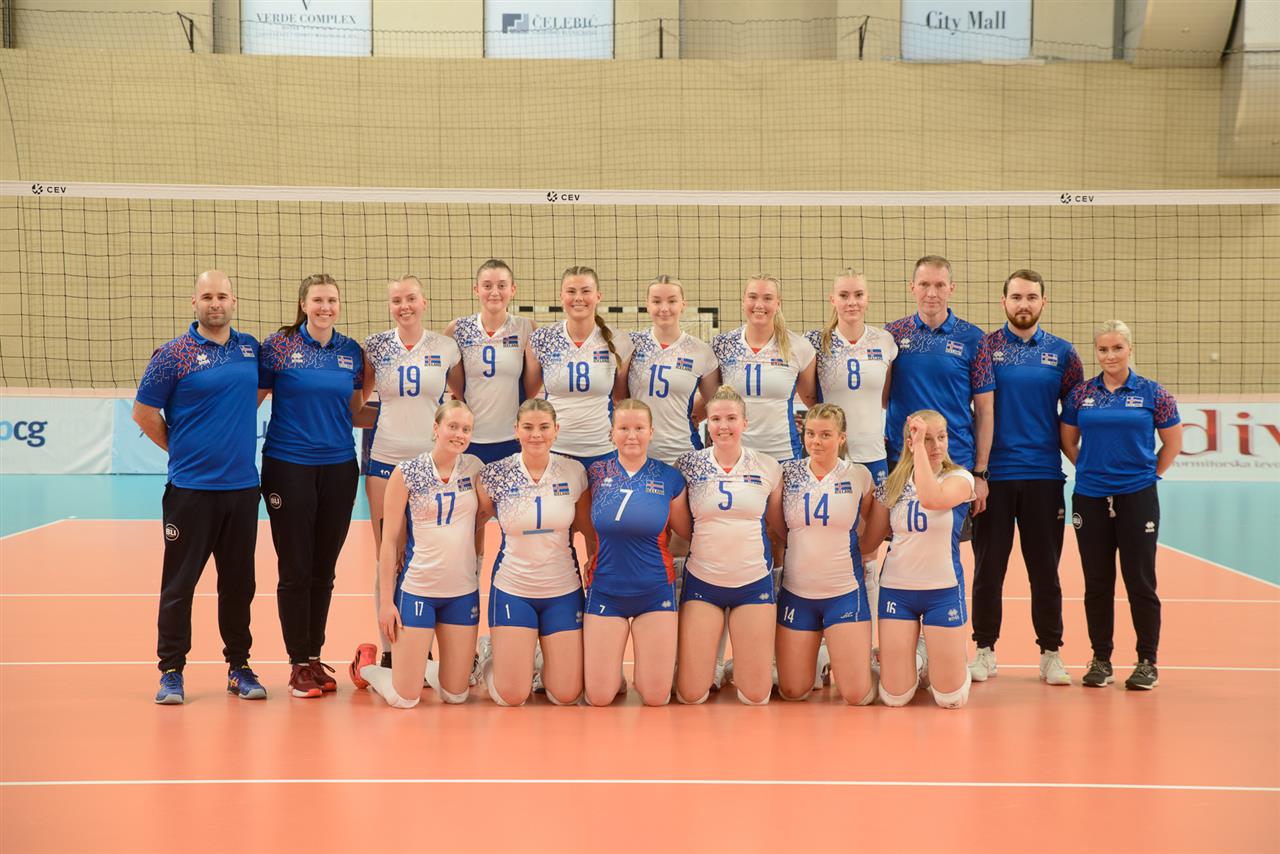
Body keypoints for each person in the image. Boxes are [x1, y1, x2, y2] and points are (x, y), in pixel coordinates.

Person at [134, 271, 266, 705]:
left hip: (242, 489)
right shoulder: (173, 354)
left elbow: (255, 394)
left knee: (239, 585)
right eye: (207, 296)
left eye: (222, 296)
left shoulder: (250, 349)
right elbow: (143, 413)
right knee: (179, 585)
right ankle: (171, 671)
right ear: (195, 302)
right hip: (190, 490)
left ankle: (239, 667)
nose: (215, 303)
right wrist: (181, 448)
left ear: (234, 301)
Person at [969, 270, 1083, 687]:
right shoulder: (984, 348)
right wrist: (976, 472)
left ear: (1043, 302)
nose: (1024, 304)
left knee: (1045, 572)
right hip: (994, 478)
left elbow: (1075, 414)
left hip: (1044, 477)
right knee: (988, 570)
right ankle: (984, 650)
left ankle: (1051, 653)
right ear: (1003, 301)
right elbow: (974, 407)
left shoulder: (1064, 353)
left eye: (1031, 297)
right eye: (1016, 296)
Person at [258, 273, 364, 698]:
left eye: (332, 300)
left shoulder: (350, 351)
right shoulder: (278, 347)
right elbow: (249, 402)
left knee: (324, 569)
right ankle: (297, 664)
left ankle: (314, 656)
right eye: (318, 300)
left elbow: (355, 410)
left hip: (339, 467)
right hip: (289, 467)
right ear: (303, 304)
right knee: (296, 567)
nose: (325, 307)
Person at [1061, 320, 1182, 690]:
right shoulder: (1081, 394)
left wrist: (1146, 477)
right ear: (1096, 353)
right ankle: (1101, 659)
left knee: (1140, 581)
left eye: (1117, 348)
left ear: (1130, 349)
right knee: (1097, 582)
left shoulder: (1153, 393)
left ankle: (1147, 661)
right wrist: (1090, 470)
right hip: (1090, 497)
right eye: (1103, 349)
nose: (1110, 355)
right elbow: (1068, 441)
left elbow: (1173, 443)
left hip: (1137, 497)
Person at [349, 401, 485, 708]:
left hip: (461, 592)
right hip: (418, 589)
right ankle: (367, 668)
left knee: (456, 695)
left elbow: (483, 519)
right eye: (452, 426)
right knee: (405, 698)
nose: (459, 434)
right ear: (436, 428)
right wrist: (386, 603)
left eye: (466, 429)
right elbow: (389, 542)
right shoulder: (408, 472)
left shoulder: (475, 468)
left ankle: (425, 667)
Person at [359, 275, 464, 668]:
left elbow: (460, 397)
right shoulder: (376, 346)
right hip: (385, 462)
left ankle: (425, 643)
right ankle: (390, 650)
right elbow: (361, 401)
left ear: (424, 302)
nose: (404, 306)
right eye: (397, 300)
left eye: (411, 299)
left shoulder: (445, 348)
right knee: (388, 554)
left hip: (431, 465)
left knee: (426, 551)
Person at [474, 399, 594, 706]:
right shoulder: (496, 474)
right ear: (516, 430)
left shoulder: (573, 472)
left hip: (562, 589)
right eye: (528, 427)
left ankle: (537, 657)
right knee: (512, 696)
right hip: (514, 588)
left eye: (544, 427)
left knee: (565, 695)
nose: (536, 434)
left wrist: (595, 565)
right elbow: (476, 519)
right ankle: (490, 655)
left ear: (556, 430)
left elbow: (586, 528)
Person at [806, 269, 898, 658]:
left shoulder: (885, 342)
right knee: (828, 543)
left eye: (858, 294)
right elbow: (811, 398)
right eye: (844, 295)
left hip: (873, 457)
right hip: (832, 460)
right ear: (832, 299)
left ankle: (869, 643)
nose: (851, 302)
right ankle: (825, 644)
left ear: (868, 298)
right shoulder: (816, 342)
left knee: (869, 549)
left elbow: (885, 396)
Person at [674, 386, 784, 705]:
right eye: (716, 419)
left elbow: (778, 526)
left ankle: (744, 664)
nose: (724, 426)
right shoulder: (688, 465)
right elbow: (681, 526)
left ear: (745, 423)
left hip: (752, 583)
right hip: (704, 582)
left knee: (756, 695)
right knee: (691, 694)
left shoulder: (767, 466)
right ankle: (711, 664)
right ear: (706, 424)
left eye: (732, 418)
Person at [862, 411, 976, 709]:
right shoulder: (892, 486)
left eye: (941, 437)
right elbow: (869, 543)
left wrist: (920, 452)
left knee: (951, 698)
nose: (936, 446)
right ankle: (917, 659)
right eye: (926, 439)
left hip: (942, 591)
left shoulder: (959, 478)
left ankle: (931, 654)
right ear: (911, 443)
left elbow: (931, 498)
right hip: (897, 591)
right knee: (895, 697)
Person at [582, 400, 690, 706]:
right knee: (599, 697)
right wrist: (594, 554)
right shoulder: (595, 473)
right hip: (606, 589)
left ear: (651, 432)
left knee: (656, 696)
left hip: (654, 590)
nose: (632, 435)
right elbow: (584, 525)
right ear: (612, 433)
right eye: (624, 428)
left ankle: (645, 676)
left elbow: (685, 531)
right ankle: (611, 677)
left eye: (639, 428)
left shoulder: (669, 478)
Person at [770, 404, 877, 705]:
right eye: (811, 434)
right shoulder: (788, 473)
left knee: (856, 695)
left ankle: (859, 663)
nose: (816, 441)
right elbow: (779, 525)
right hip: (798, 593)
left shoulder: (858, 475)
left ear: (842, 438)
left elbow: (870, 519)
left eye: (826, 435)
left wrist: (862, 552)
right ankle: (820, 658)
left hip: (843, 592)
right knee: (793, 691)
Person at [884, 256, 993, 507]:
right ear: (912, 287)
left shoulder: (974, 339)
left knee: (950, 533)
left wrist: (980, 472)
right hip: (902, 458)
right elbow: (881, 398)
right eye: (924, 284)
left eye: (940, 285)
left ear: (951, 288)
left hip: (954, 459)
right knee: (900, 531)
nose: (931, 293)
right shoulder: (892, 334)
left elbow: (985, 410)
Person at [525, 266, 633, 470]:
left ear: (598, 296)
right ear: (561, 297)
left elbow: (621, 400)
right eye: (571, 291)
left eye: (585, 291)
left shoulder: (619, 341)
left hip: (603, 450)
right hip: (554, 450)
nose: (578, 298)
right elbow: (528, 395)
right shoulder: (542, 339)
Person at [712, 275, 817, 463]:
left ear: (778, 303)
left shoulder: (799, 347)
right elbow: (710, 397)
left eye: (767, 298)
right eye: (753, 297)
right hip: (735, 455)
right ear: (743, 301)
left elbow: (811, 399)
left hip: (783, 453)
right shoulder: (723, 345)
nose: (759, 304)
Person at [447, 259, 536, 465]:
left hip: (513, 438)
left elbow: (532, 387)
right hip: (470, 438)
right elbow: (455, 382)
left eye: (502, 285)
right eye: (487, 286)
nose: (494, 292)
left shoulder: (526, 328)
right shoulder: (458, 329)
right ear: (476, 289)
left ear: (513, 289)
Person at [623, 275, 719, 465]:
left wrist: (690, 416)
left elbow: (714, 404)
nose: (664, 308)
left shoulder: (701, 351)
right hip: (638, 453)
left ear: (683, 304)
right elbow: (620, 398)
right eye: (657, 301)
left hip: (684, 452)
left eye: (672, 301)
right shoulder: (631, 344)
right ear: (647, 305)